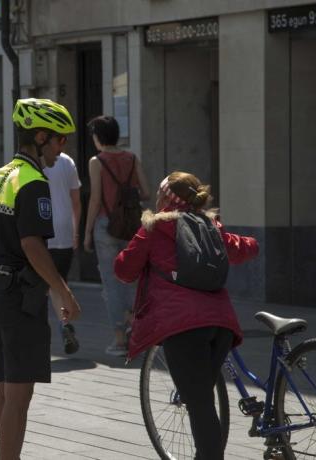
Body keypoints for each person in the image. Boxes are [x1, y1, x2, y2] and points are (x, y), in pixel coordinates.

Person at [114, 171, 258, 460]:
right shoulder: (210, 226)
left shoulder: (153, 228)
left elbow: (124, 270)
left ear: (166, 197)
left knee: (200, 404)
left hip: (181, 328)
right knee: (202, 399)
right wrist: (247, 242)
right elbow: (246, 248)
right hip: (221, 325)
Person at [0, 98, 81, 460]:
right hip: (19, 297)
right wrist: (63, 290)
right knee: (20, 396)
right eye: (59, 140)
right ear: (40, 137)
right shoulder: (33, 182)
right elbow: (33, 245)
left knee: (6, 389)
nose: (62, 148)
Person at [83, 115, 150, 356]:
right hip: (132, 225)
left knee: (111, 284)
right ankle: (135, 324)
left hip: (106, 226)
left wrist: (87, 231)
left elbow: (95, 199)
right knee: (132, 279)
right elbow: (146, 191)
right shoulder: (132, 158)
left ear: (98, 137)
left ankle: (120, 340)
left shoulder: (97, 161)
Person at [43, 142, 82, 354]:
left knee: (50, 285)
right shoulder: (68, 162)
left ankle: (62, 325)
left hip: (42, 229)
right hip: (65, 229)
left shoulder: (35, 163)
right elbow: (76, 201)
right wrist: (76, 231)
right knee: (59, 282)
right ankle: (64, 323)